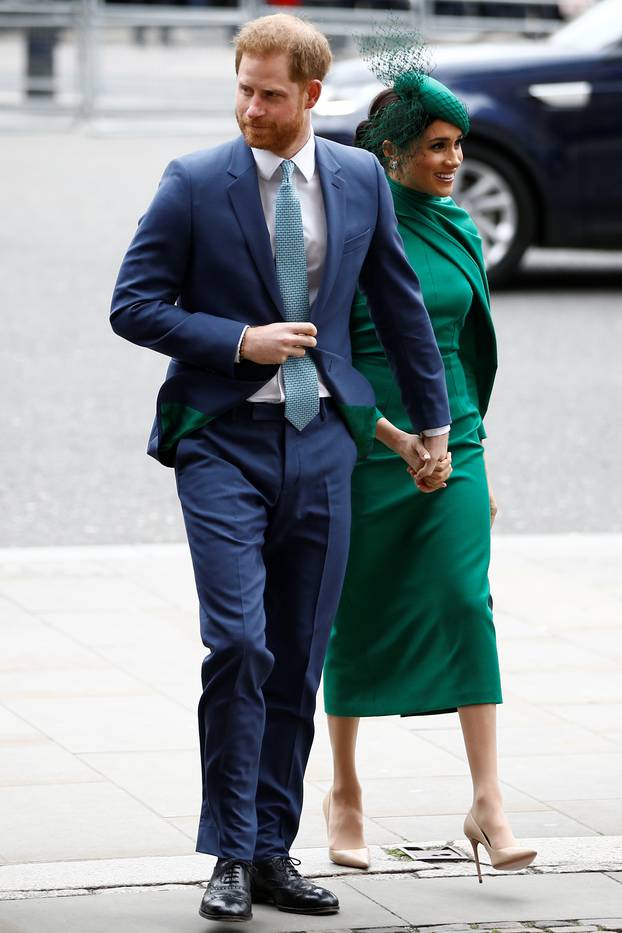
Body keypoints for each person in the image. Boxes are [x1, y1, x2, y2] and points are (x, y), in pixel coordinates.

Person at [110, 14, 452, 924]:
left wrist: (433, 425)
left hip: (324, 445)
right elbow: (133, 305)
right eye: (242, 88)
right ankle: (227, 850)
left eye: (269, 93)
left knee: (298, 654)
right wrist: (238, 341)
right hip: (221, 439)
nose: (250, 108)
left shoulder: (355, 179)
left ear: (310, 96)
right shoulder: (192, 183)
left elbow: (400, 306)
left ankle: (271, 848)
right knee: (241, 643)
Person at [321, 70, 538, 882]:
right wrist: (388, 436)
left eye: (457, 147)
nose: (453, 161)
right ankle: (343, 790)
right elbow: (328, 354)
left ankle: (488, 800)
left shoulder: (458, 227)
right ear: (391, 153)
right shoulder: (345, 227)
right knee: (353, 609)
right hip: (366, 438)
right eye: (436, 147)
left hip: (458, 444)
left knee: (462, 600)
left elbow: (470, 352)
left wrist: (474, 459)